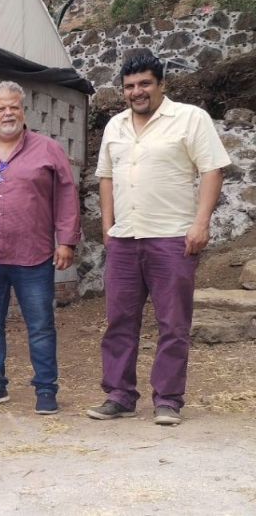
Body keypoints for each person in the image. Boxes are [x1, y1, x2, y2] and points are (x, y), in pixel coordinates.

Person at [86, 54, 229, 426]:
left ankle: (168, 400)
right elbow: (105, 177)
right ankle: (119, 395)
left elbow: (212, 170)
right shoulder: (115, 126)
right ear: (123, 90)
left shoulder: (189, 118)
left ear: (161, 84)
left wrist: (201, 223)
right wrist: (107, 226)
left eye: (145, 84)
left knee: (172, 323)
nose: (138, 92)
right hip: (124, 239)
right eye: (130, 86)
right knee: (119, 321)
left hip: (172, 238)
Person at [0, 80, 80, 415]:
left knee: (39, 325)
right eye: (0, 108)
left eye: (14, 107)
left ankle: (45, 389)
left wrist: (66, 240)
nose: (7, 113)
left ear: (23, 111)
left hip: (33, 255)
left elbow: (67, 194)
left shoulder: (48, 150)